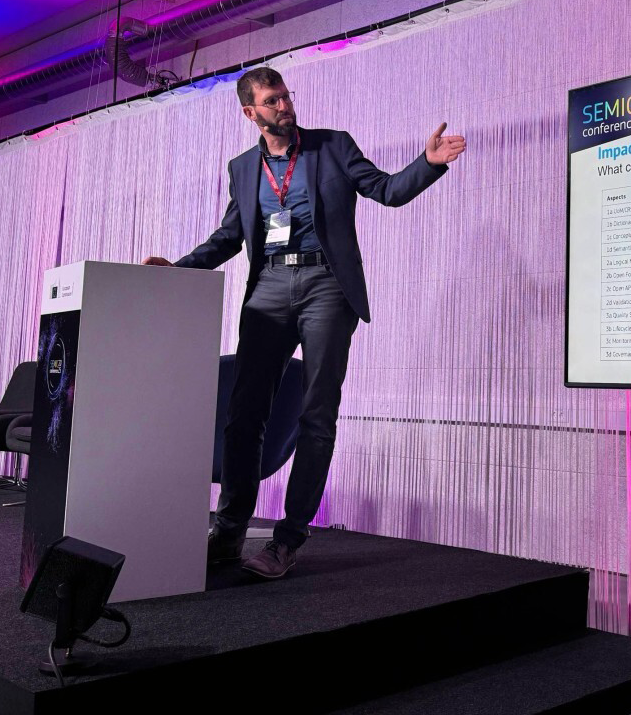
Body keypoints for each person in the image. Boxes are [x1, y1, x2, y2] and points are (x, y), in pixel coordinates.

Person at [144, 66, 465, 579]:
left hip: (325, 287)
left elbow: (386, 190)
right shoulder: (243, 168)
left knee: (316, 415)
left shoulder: (333, 146)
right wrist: (178, 269)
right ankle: (228, 531)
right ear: (251, 113)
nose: (285, 107)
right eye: (273, 102)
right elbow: (230, 236)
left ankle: (287, 540)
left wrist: (427, 163)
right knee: (244, 415)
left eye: (287, 97)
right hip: (268, 287)